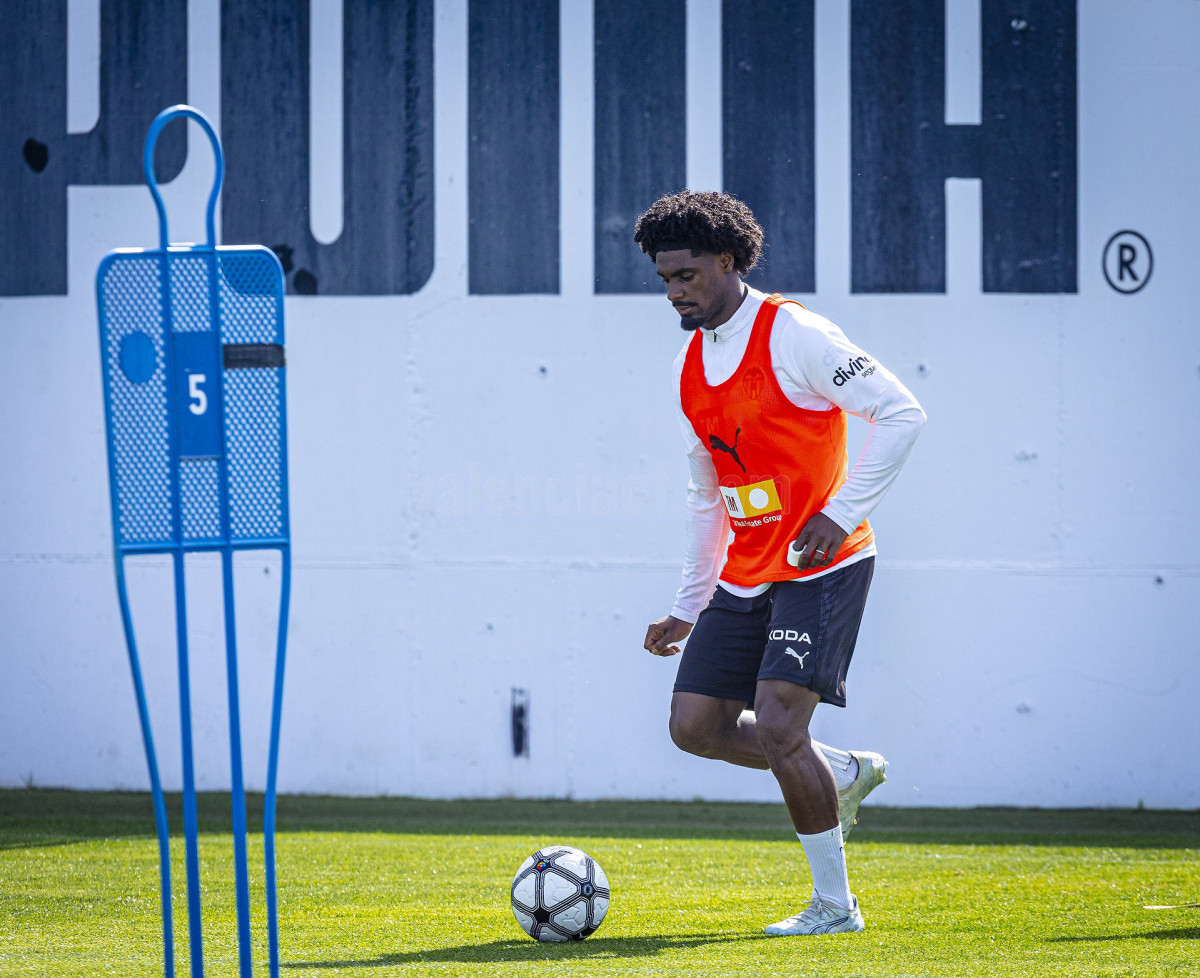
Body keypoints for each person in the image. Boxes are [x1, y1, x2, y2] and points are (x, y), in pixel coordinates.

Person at [636, 190, 925, 936]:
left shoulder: (796, 334)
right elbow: (707, 497)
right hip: (747, 571)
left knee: (777, 726)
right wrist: (689, 605)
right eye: (665, 280)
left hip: (824, 565)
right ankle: (843, 771)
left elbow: (902, 414)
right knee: (694, 726)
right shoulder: (689, 366)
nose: (674, 293)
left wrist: (841, 513)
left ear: (729, 260)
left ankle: (835, 907)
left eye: (687, 276)